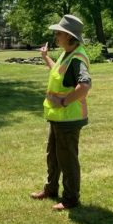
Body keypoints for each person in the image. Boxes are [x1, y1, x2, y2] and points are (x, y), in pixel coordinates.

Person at [31, 15, 92, 210]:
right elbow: (57, 72)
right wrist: (46, 57)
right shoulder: (67, 54)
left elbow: (84, 86)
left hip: (69, 118)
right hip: (58, 118)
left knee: (67, 160)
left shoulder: (77, 59)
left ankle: (71, 199)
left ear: (68, 36)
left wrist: (64, 101)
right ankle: (50, 189)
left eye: (58, 33)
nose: (55, 36)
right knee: (53, 156)